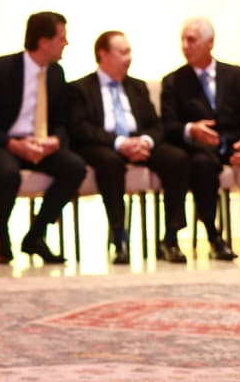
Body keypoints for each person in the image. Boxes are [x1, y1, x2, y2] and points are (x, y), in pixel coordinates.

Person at [160, 17, 240, 260]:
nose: (185, 46)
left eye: (191, 40)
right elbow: (168, 126)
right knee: (201, 166)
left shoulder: (236, 75)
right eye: (183, 40)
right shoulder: (173, 81)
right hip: (201, 148)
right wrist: (191, 130)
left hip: (234, 143)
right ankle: (214, 236)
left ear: (210, 42)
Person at [69, 31, 192, 264]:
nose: (129, 58)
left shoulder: (137, 86)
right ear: (103, 54)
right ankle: (119, 238)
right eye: (122, 52)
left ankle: (171, 237)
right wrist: (120, 143)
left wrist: (145, 141)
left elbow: (156, 125)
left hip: (138, 142)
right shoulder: (80, 88)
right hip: (104, 145)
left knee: (177, 158)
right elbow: (80, 129)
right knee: (110, 162)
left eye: (129, 52)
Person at [0, 12, 87, 264]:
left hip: (40, 144)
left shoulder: (56, 73)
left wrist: (55, 141)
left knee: (75, 167)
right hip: (4, 142)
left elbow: (61, 121)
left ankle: (36, 234)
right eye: (61, 38)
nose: (66, 43)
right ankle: (2, 234)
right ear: (44, 42)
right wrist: (12, 144)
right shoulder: (0, 69)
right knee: (7, 174)